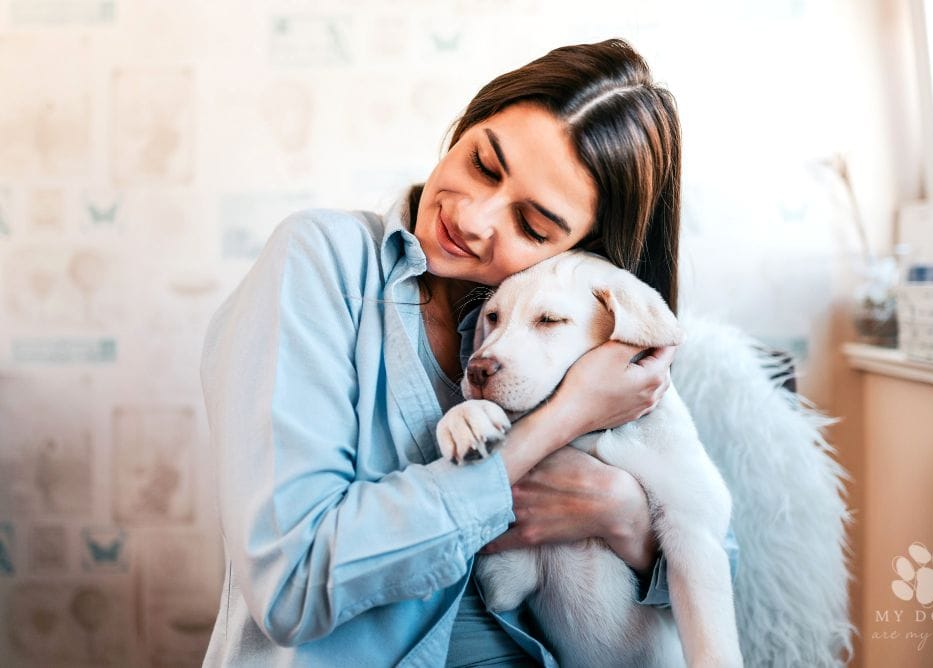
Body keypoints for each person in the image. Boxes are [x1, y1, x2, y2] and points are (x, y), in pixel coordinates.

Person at [200, 38, 738, 667]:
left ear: (581, 251)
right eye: (483, 163)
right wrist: (558, 424)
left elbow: (715, 557)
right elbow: (292, 583)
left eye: (533, 226)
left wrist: (625, 519)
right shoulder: (321, 260)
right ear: (465, 126)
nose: (475, 218)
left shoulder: (583, 327)